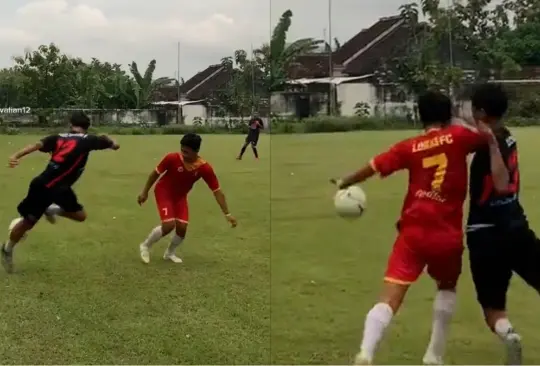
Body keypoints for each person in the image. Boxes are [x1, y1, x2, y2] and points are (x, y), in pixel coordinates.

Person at [331, 91, 509, 365]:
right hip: (446, 235)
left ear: (419, 115)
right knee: (447, 287)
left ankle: (366, 352)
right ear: (447, 115)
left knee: (389, 298)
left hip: (413, 231)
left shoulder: (408, 147)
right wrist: (466, 121)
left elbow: (372, 167)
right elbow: (486, 134)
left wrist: (345, 181)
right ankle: (433, 354)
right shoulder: (460, 138)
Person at [466, 83, 540, 365]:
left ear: (481, 112)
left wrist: (489, 144)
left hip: (485, 235)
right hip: (516, 227)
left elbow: (500, 182)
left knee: (492, 308)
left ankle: (509, 335)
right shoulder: (508, 136)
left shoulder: (494, 143)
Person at [2, 111, 120, 273]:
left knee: (28, 222)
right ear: (87, 127)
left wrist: (16, 155)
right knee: (79, 216)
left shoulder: (58, 137)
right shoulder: (90, 140)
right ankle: (47, 212)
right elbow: (113, 144)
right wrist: (112, 142)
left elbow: (36, 145)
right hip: (54, 188)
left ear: (71, 125)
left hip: (42, 184)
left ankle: (8, 249)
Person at [137, 133, 237, 264]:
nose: (183, 155)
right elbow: (154, 175)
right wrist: (144, 192)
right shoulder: (172, 158)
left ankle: (169, 253)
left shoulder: (204, 168)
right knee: (168, 225)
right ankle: (145, 246)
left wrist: (227, 214)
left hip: (180, 197)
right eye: (182, 150)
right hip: (164, 192)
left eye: (187, 152)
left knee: (182, 228)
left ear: (196, 151)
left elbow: (217, 191)